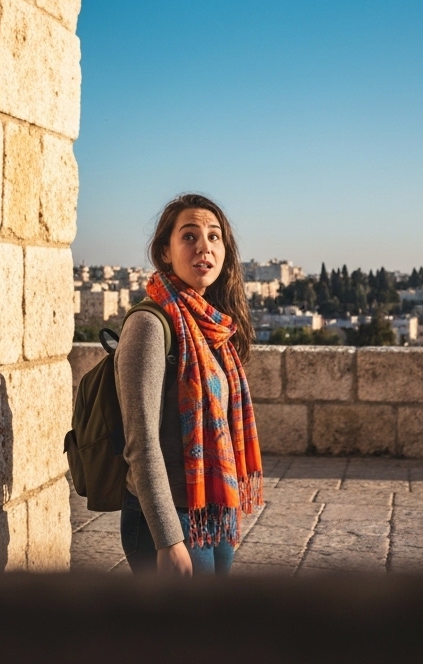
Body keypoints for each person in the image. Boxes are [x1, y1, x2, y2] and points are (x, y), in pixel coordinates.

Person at [114, 193, 264, 576]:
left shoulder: (213, 328)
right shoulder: (149, 326)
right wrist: (168, 540)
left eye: (214, 237)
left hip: (213, 516)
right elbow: (141, 440)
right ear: (166, 252)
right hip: (169, 521)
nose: (204, 247)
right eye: (189, 236)